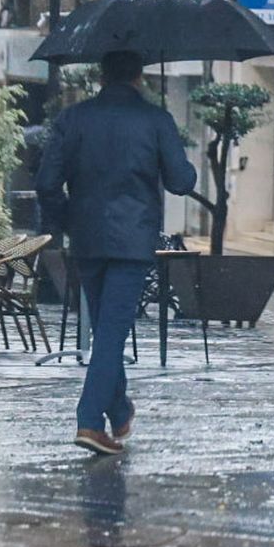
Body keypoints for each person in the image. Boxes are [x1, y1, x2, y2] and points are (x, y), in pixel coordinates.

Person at [35, 49, 196, 456]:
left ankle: (119, 409)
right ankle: (90, 420)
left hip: (87, 239)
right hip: (133, 242)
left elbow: (47, 182)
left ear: (101, 76)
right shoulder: (155, 120)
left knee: (107, 329)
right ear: (138, 76)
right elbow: (180, 181)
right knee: (111, 332)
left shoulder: (73, 118)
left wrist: (64, 220)